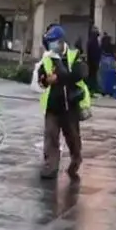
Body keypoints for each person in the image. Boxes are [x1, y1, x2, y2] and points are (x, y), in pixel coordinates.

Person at [37, 25, 89, 181]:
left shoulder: (74, 55)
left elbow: (79, 74)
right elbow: (41, 80)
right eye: (49, 42)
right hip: (52, 106)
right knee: (51, 136)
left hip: (70, 106)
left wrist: (59, 78)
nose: (51, 45)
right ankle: (50, 167)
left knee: (73, 137)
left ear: (61, 41)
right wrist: (46, 80)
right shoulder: (47, 58)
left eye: (54, 41)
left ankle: (75, 160)